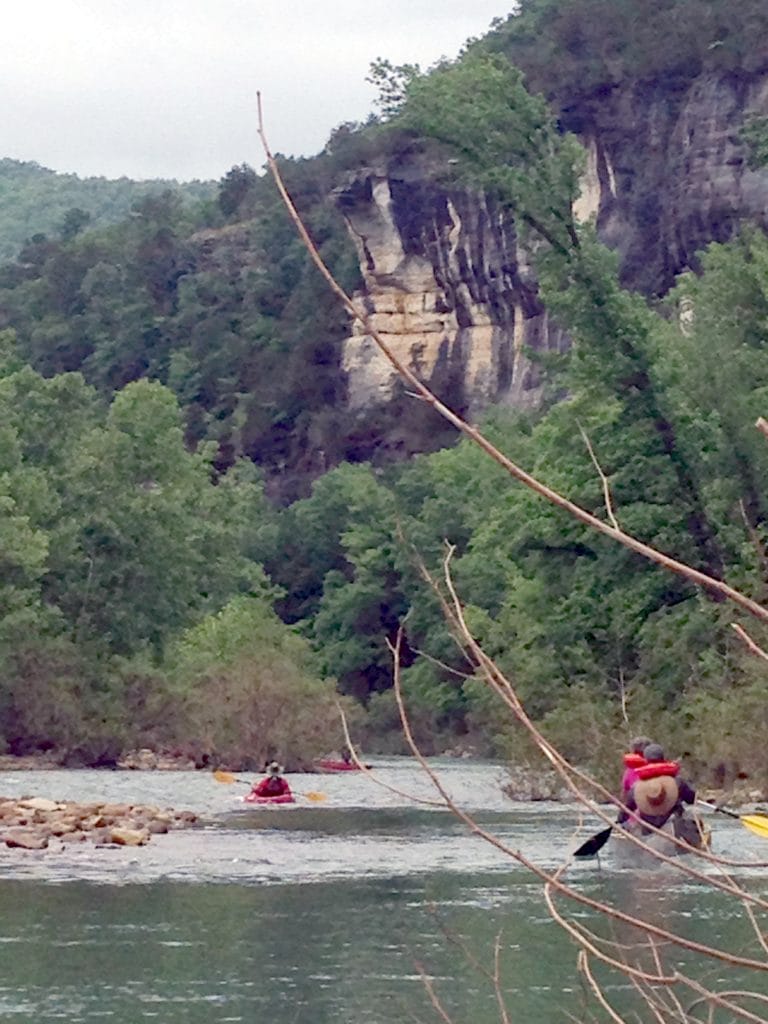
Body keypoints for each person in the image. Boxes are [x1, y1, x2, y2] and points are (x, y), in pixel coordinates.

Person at [618, 743, 696, 832]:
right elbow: (692, 799)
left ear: (645, 761)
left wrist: (620, 822)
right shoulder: (678, 782)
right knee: (690, 815)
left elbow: (625, 811)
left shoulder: (636, 787)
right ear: (663, 759)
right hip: (675, 825)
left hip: (648, 829)